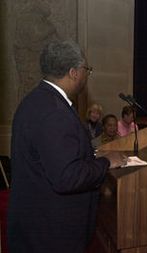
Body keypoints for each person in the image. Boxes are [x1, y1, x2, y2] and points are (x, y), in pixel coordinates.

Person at [7, 40, 126, 253]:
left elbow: (52, 155)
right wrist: (106, 162)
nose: (87, 75)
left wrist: (92, 153)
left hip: (36, 223)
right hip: (51, 233)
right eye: (86, 70)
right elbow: (67, 177)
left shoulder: (37, 99)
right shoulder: (55, 112)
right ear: (73, 72)